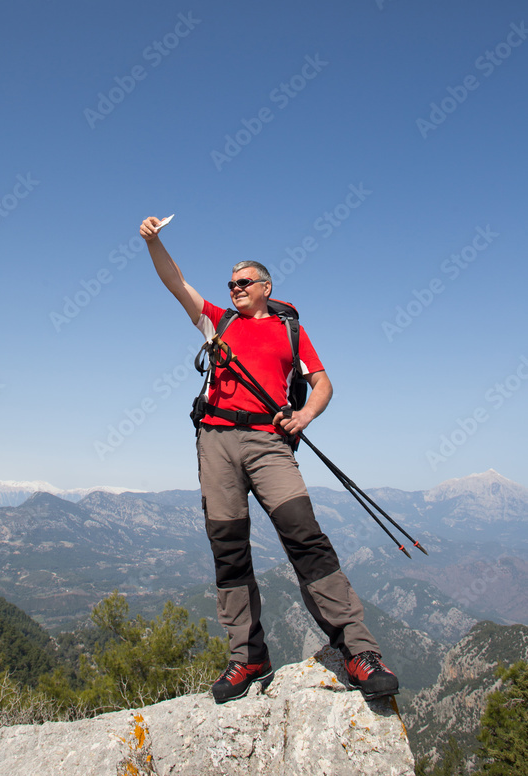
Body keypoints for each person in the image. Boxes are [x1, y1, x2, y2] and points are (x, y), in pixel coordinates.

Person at [139, 215, 399, 704]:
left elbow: (322, 384)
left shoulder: (290, 331)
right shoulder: (218, 320)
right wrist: (155, 241)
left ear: (265, 287)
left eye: (243, 282)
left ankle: (358, 651)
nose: (235, 288)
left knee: (306, 539)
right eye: (231, 283)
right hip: (215, 440)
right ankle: (248, 656)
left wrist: (303, 417)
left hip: (269, 443)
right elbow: (174, 281)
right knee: (229, 551)